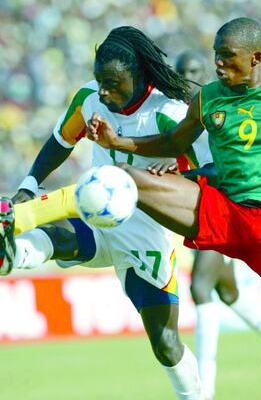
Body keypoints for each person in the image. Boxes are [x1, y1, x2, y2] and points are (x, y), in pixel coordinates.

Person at [2, 17, 261, 399]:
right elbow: (169, 143)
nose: (217, 64)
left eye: (226, 56)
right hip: (217, 212)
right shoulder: (208, 98)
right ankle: (15, 221)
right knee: (118, 181)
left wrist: (181, 170)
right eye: (215, 55)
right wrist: (115, 144)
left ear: (256, 57)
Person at [0, 27, 205, 400]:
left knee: (166, 343)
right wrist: (30, 184)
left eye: (112, 84)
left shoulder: (168, 112)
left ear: (138, 75)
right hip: (94, 211)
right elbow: (61, 141)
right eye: (99, 82)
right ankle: (13, 252)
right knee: (57, 235)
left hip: (145, 233)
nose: (104, 92)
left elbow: (207, 168)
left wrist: (178, 171)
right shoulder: (89, 99)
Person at [175, 50, 261, 400]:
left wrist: (184, 174)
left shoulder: (217, 107)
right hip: (196, 210)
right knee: (227, 292)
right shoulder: (176, 115)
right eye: (181, 72)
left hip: (224, 209)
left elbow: (220, 167)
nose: (188, 77)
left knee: (200, 289)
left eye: (195, 69)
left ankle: (203, 393)